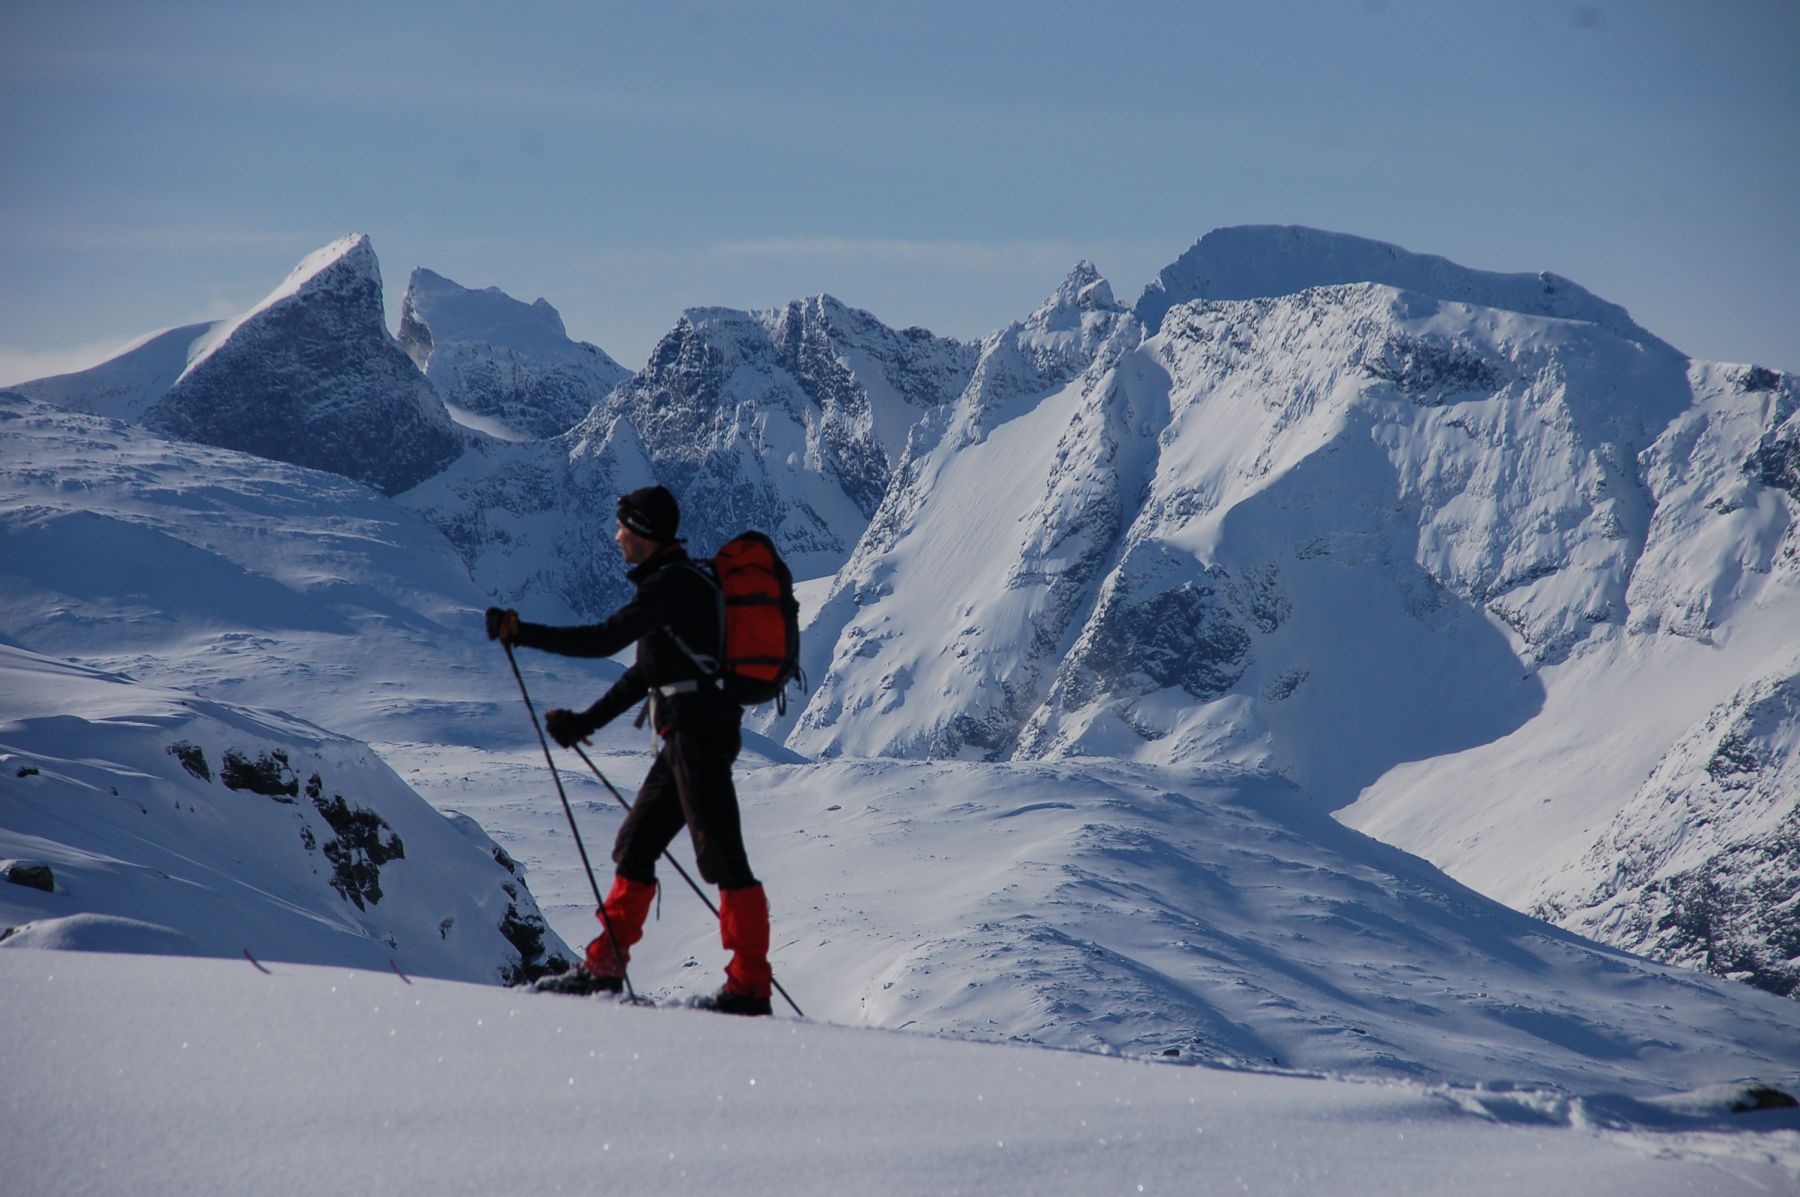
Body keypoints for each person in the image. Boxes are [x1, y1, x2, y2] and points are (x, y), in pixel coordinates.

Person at [486, 484, 773, 1016]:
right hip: (687, 737)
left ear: (642, 533)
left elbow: (601, 639)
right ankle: (604, 967)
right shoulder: (678, 586)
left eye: (623, 527)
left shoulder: (670, 588)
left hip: (697, 739)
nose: (616, 536)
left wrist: (520, 632)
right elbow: (646, 673)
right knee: (636, 843)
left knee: (724, 860)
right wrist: (583, 722)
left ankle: (750, 987)